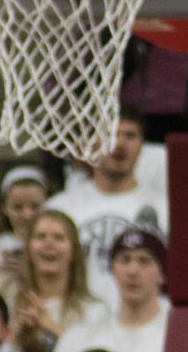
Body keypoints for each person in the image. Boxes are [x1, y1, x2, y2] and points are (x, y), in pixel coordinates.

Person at [43, 109, 164, 283]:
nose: (120, 143)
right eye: (110, 135)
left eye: (129, 135)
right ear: (92, 143)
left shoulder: (164, 208)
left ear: (141, 145)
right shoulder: (59, 208)